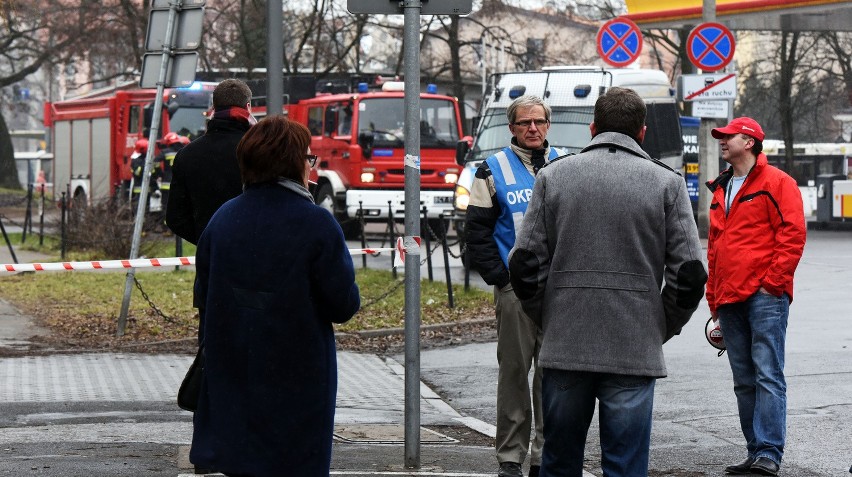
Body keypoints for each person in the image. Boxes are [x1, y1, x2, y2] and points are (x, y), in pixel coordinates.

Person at [508, 87, 707, 476]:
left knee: (560, 462)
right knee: (625, 465)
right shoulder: (667, 184)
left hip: (566, 342)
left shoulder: (553, 177)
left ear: (593, 128)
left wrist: (549, 315)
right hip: (634, 346)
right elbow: (689, 272)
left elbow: (525, 264)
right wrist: (660, 324)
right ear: (643, 132)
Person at [189, 115, 361, 476]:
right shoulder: (317, 223)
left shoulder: (222, 220)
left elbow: (205, 292)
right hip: (298, 380)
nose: (311, 167)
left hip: (232, 373)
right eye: (309, 159)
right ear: (294, 163)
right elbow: (342, 304)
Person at [465, 94, 563, 477]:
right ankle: (510, 458)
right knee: (514, 377)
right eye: (524, 123)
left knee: (553, 377)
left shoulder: (567, 165)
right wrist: (502, 280)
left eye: (538, 121)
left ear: (547, 125)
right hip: (515, 291)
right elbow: (477, 233)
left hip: (559, 291)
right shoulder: (491, 170)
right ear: (512, 128)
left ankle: (544, 457)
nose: (532, 129)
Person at [706, 117, 806, 476]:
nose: (722, 141)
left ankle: (769, 452)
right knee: (744, 379)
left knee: (767, 374)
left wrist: (772, 284)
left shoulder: (778, 182)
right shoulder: (721, 187)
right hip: (729, 297)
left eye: (727, 136)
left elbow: (792, 234)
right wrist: (713, 296)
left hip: (764, 296)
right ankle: (755, 452)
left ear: (748, 141)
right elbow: (715, 247)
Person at [166, 78, 255, 245]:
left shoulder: (187, 155)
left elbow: (175, 218)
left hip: (211, 264)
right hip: (255, 256)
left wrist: (207, 240)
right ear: (248, 107)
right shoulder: (261, 151)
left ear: (213, 108)